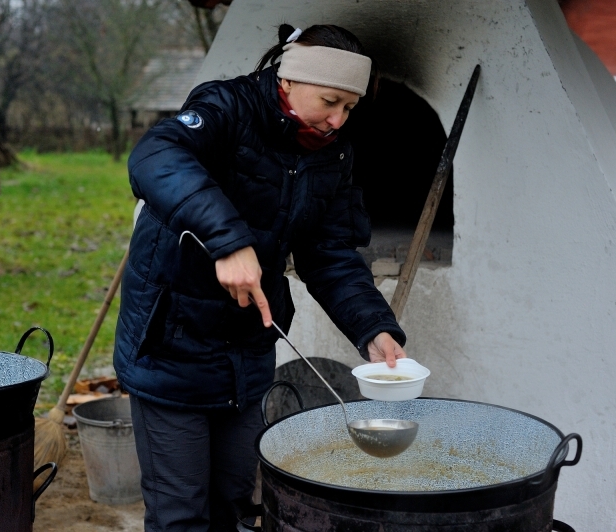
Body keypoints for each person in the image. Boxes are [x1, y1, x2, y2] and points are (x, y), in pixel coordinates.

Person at [113, 23, 407, 532]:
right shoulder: (226, 109)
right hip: (172, 345)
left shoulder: (332, 153)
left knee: (233, 504)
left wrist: (372, 327)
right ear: (289, 81)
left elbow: (330, 252)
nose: (338, 120)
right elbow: (154, 155)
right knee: (181, 513)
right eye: (330, 101)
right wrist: (227, 243)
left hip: (247, 352)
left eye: (350, 109)